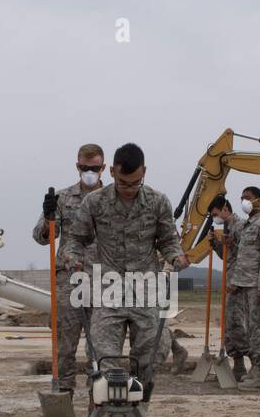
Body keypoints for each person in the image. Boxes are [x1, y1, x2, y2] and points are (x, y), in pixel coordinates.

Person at [62, 143, 189, 400]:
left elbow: (167, 240)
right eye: (123, 183)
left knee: (155, 350)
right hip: (109, 291)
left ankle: (137, 406)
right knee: (101, 353)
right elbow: (76, 239)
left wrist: (175, 255)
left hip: (146, 290)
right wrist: (72, 257)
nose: (129, 189)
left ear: (144, 172)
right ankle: (101, 408)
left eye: (135, 183)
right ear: (111, 172)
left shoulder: (158, 201)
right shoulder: (94, 202)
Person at [33, 143, 105, 391]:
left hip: (103, 281)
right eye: (85, 167)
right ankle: (63, 395)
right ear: (77, 167)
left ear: (103, 168)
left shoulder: (113, 199)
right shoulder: (62, 198)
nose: (89, 172)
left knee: (100, 346)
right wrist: (48, 219)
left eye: (94, 168)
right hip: (69, 281)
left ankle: (98, 398)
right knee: (64, 344)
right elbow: (42, 237)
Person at [227, 187, 260, 391]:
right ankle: (258, 370)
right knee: (251, 332)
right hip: (246, 285)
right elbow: (240, 257)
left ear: (259, 200)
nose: (243, 201)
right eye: (241, 198)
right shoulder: (246, 227)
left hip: (259, 286)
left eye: (247, 198)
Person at [208, 195, 248, 379]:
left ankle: (246, 365)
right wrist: (216, 244)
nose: (215, 218)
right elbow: (227, 256)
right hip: (231, 279)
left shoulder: (239, 226)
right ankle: (238, 364)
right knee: (229, 322)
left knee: (237, 322)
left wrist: (236, 281)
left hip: (239, 283)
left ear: (225, 208)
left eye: (215, 214)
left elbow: (247, 255)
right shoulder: (227, 227)